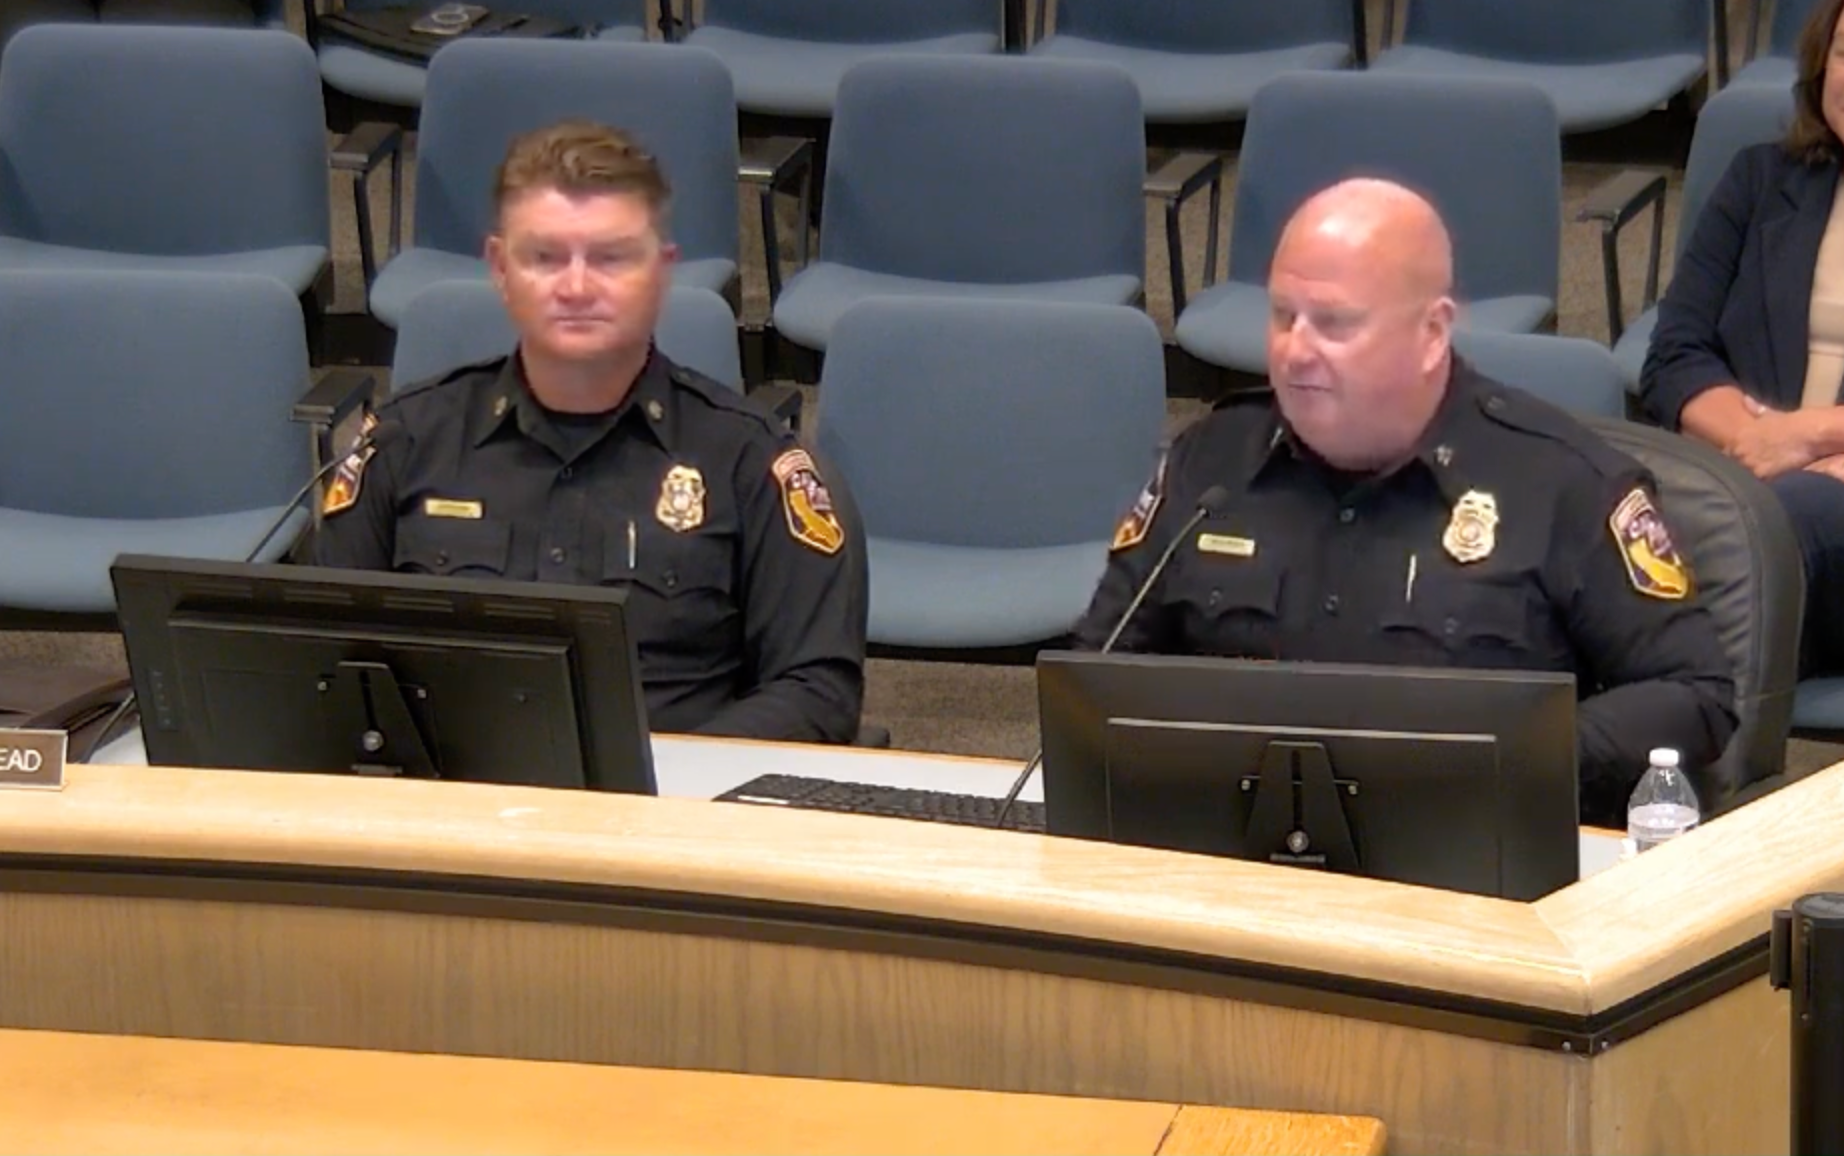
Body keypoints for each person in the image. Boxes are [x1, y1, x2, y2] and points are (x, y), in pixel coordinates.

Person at [1077, 178, 1737, 825]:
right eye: (1283, 316)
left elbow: (1694, 696)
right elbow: (1093, 675)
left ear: (1431, 332)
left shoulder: (1564, 483)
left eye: (1334, 324)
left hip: (1476, 853)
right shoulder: (1211, 463)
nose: (1294, 351)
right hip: (1233, 848)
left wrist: (1503, 752)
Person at [313, 120, 867, 743]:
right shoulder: (402, 443)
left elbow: (817, 693)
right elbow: (326, 662)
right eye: (545, 257)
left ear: (661, 271)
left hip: (669, 816)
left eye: (611, 257)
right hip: (451, 806)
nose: (576, 287)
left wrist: (655, 776)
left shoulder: (751, 462)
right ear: (500, 268)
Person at [1641, 0, 1844, 677]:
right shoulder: (1761, 179)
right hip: (1744, 474)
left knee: (1741, 540)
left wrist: (1812, 435)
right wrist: (1756, 447)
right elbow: (1675, 354)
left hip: (1809, 499)